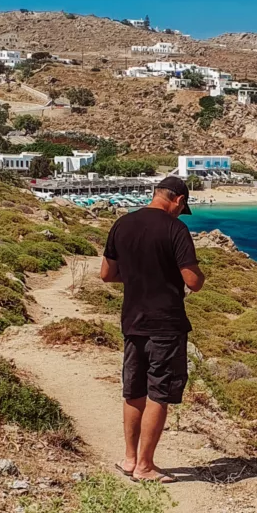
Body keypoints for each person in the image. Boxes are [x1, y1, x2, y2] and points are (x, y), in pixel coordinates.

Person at [100, 176, 205, 482]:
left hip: (132, 321)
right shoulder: (176, 229)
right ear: (179, 201)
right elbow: (193, 282)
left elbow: (107, 274)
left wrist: (136, 278)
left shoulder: (122, 224)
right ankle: (146, 466)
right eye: (180, 209)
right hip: (166, 325)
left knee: (133, 391)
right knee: (159, 394)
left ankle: (130, 459)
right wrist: (194, 275)